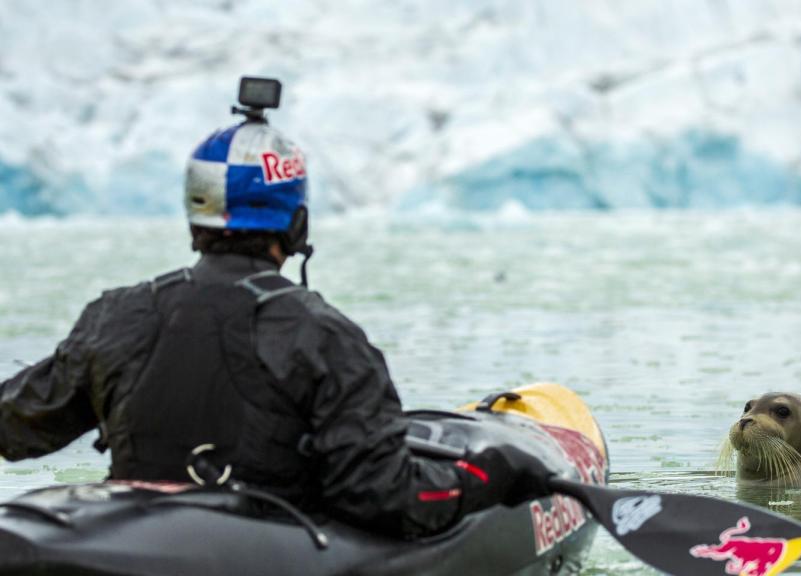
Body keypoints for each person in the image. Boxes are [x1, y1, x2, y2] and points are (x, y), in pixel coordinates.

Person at [0, 94, 548, 537]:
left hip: (128, 539)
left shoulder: (116, 315)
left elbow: (18, 424)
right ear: (297, 222)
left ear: (196, 219)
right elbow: (380, 494)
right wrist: (484, 476)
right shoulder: (323, 335)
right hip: (263, 545)